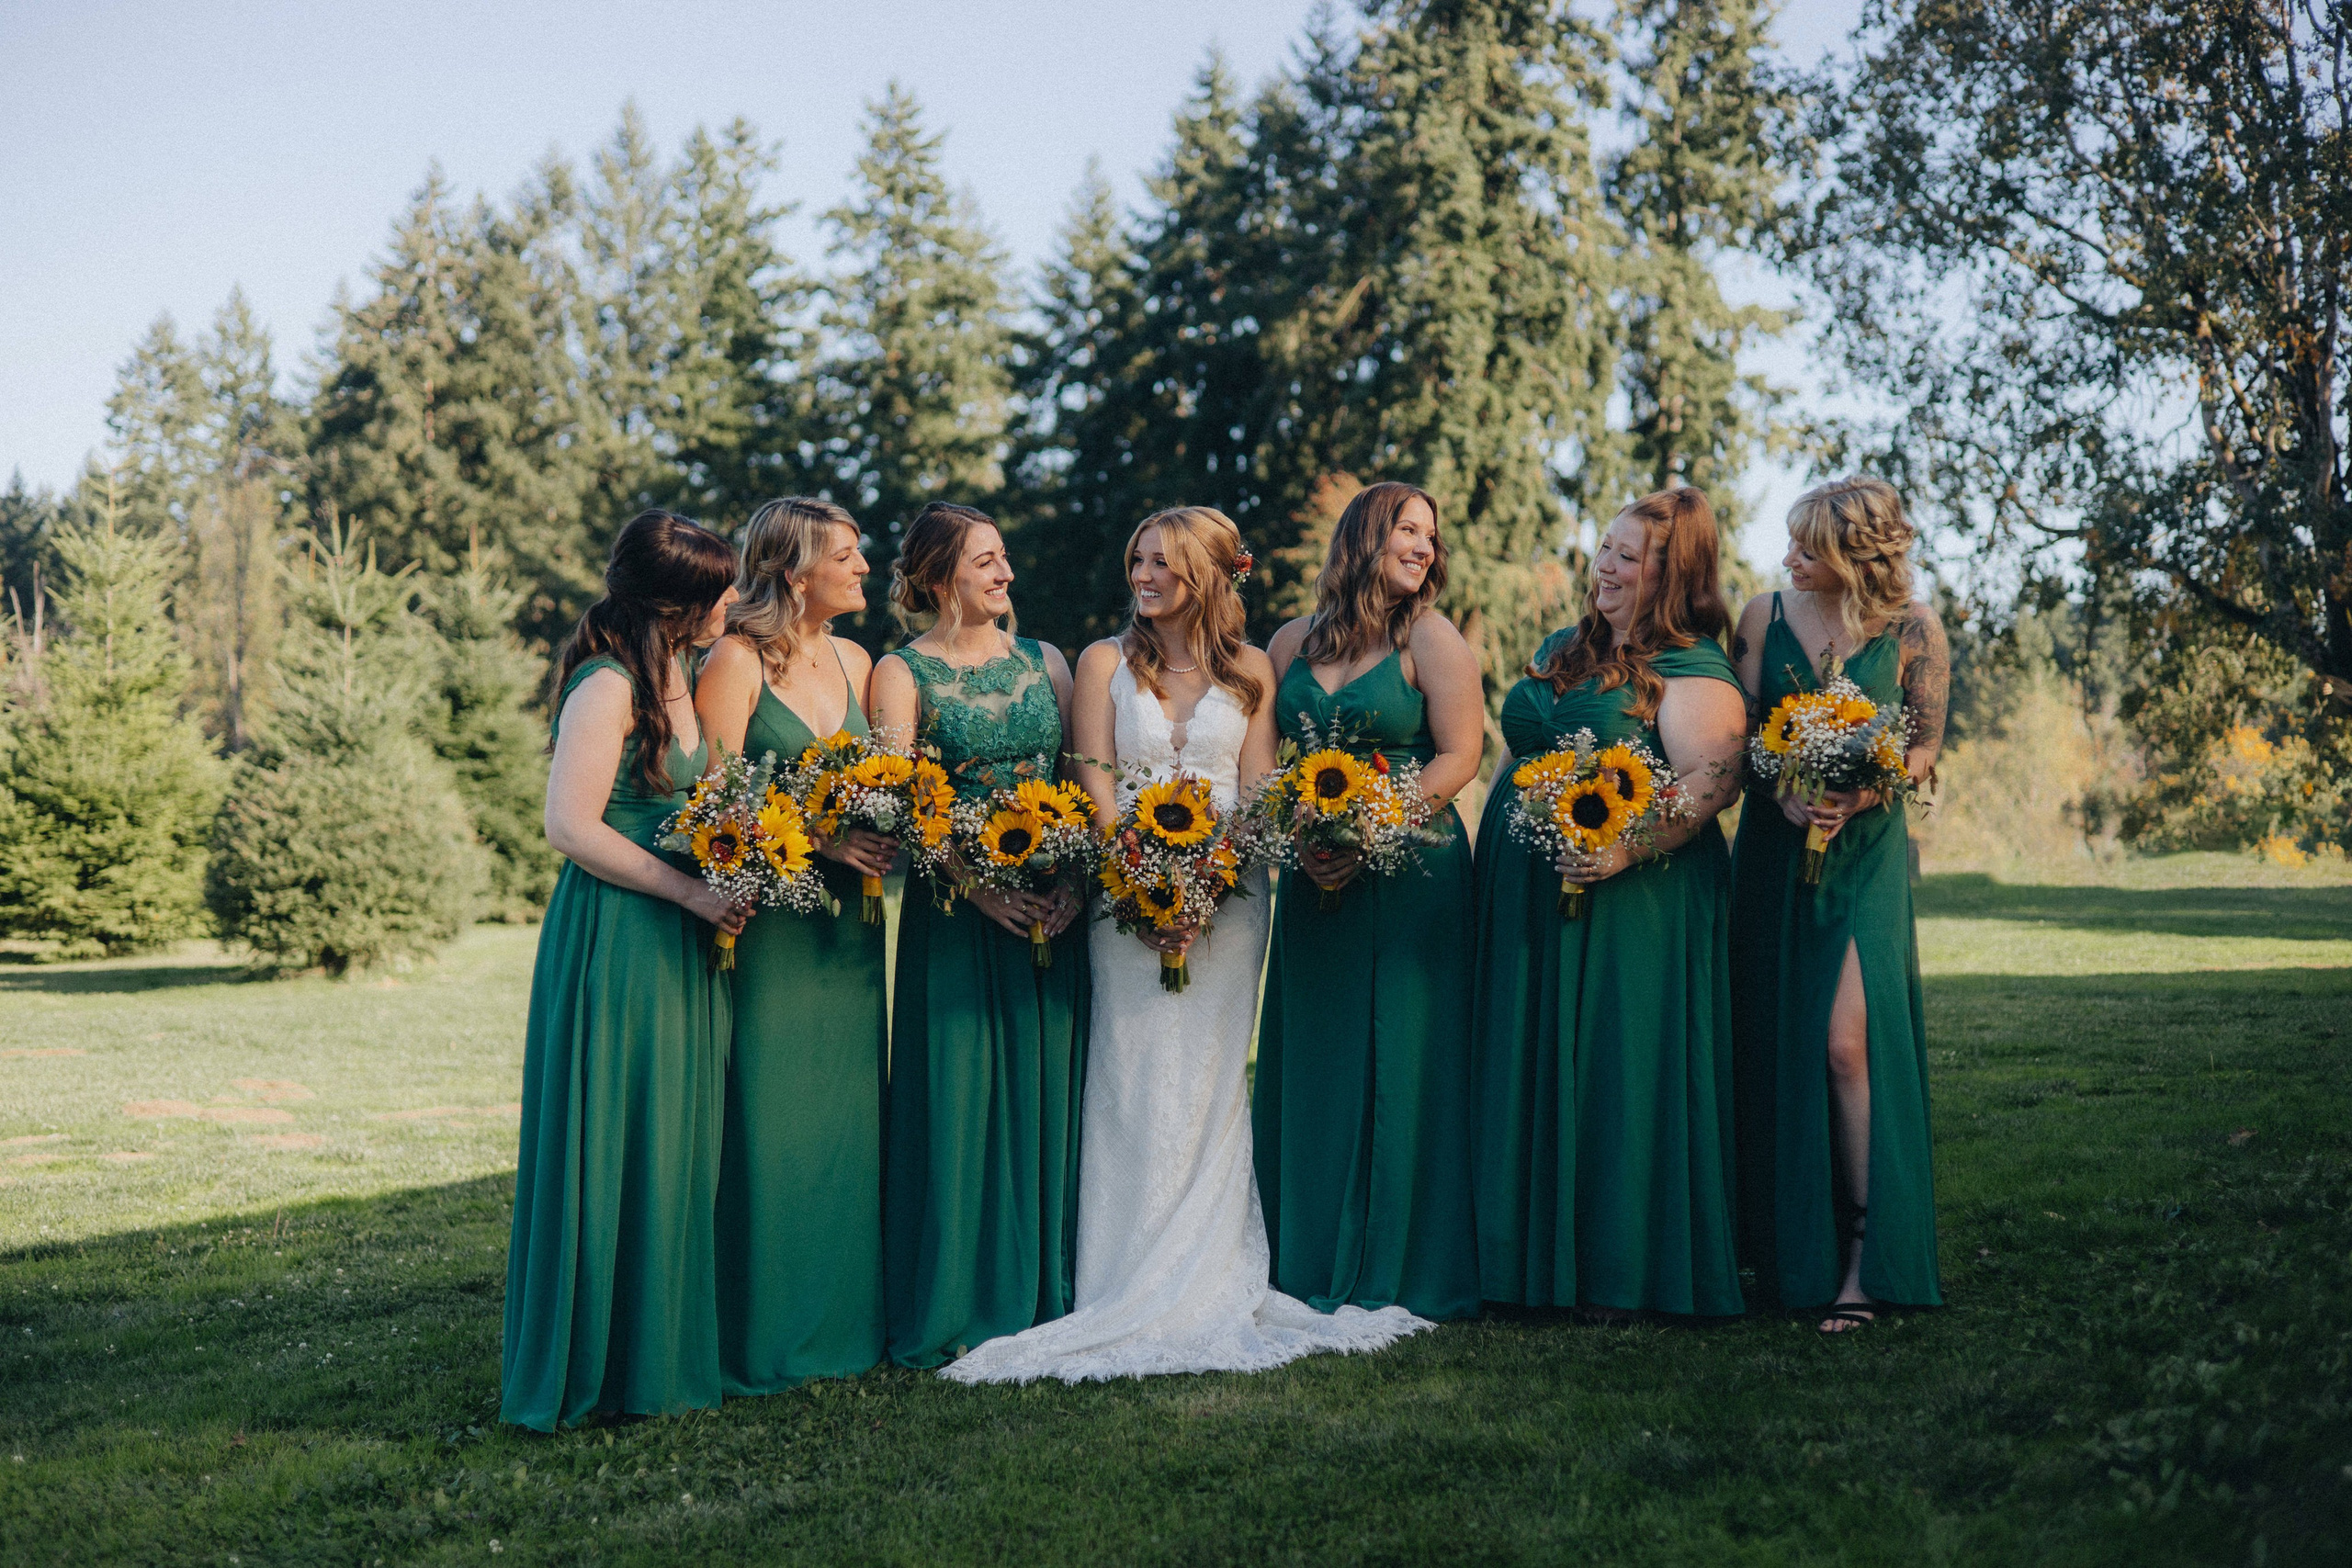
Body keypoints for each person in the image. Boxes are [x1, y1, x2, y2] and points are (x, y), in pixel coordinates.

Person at [943, 505, 1430, 1384]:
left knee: (1208, 1084)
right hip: (1120, 901)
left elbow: (1258, 787)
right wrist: (1139, 878)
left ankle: (1208, 1275)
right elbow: (1092, 778)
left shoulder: (1251, 672)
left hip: (1231, 902)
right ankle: (1117, 1279)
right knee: (1128, 1077)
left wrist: (1205, 885)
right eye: (1137, 559)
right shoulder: (1100, 663)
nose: (1143, 575)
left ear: (1206, 574)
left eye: (1161, 562)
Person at [1468, 486, 1749, 1320]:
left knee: (1620, 1068)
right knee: (1534, 1059)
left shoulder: (1691, 666)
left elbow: (1717, 777)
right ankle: (1523, 1264)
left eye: (1630, 555)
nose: (1607, 565)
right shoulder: (1566, 645)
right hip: (1527, 892)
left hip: (1635, 900)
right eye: (1606, 547)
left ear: (1674, 573)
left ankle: (1620, 1268)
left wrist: (1625, 846)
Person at [502, 509, 744, 1430]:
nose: (729, 605)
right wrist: (687, 895)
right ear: (676, 604)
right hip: (619, 935)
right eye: (716, 593)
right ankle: (595, 1365)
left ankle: (658, 1358)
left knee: (672, 1141)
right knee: (614, 1132)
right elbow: (570, 828)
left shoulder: (678, 673)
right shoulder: (605, 686)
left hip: (684, 933)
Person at [1255, 481, 1484, 1323]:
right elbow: (1267, 757)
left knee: (1406, 1059)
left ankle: (1399, 1259)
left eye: (1431, 534)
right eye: (1407, 529)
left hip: (1414, 869)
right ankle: (1304, 1248)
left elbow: (1460, 755)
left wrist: (1371, 831)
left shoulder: (1432, 636)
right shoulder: (1288, 641)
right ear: (1364, 536)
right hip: (1315, 876)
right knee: (1318, 1053)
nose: (1423, 545)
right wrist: (1304, 837)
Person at [870, 502, 1089, 1369]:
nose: (1005, 576)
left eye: (1004, 560)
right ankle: (958, 1295)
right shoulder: (901, 671)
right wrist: (974, 886)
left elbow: (1081, 774)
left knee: (1048, 1092)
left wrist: (1070, 879)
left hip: (1052, 911)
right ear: (937, 579)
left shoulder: (1048, 662)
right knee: (957, 1096)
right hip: (956, 916)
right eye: (986, 562)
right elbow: (900, 801)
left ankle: (1049, 1285)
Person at [1728, 476, 1950, 1331]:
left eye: (1807, 547)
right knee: (1776, 1039)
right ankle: (1788, 1254)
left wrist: (1861, 792)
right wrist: (1780, 785)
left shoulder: (1912, 630)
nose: (1788, 559)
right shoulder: (1762, 617)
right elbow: (1742, 735)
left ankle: (1864, 1258)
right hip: (1777, 849)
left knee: (1845, 1045)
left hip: (1865, 854)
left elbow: (1925, 745)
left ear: (1858, 555)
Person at [694, 498, 890, 1393]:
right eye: (845, 556)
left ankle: (846, 1326)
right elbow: (716, 809)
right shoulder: (733, 660)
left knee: (847, 1126)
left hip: (849, 933)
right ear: (793, 570)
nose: (863, 567)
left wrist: (886, 824)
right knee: (770, 1123)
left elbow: (890, 779)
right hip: (769, 930)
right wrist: (820, 839)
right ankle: (764, 1335)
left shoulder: (856, 660)